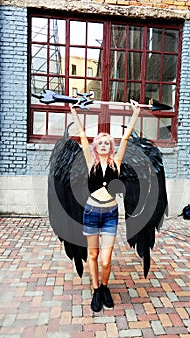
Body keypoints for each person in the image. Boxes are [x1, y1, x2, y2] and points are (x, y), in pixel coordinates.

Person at [70, 100, 140, 312]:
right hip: (91, 213)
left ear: (110, 147)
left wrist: (135, 113)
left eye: (106, 143)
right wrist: (74, 112)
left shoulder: (116, 163)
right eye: (99, 142)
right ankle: (96, 290)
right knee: (93, 255)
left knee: (107, 259)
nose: (103, 145)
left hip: (110, 214)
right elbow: (82, 136)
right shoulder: (90, 162)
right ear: (95, 146)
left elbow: (126, 137)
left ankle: (105, 287)